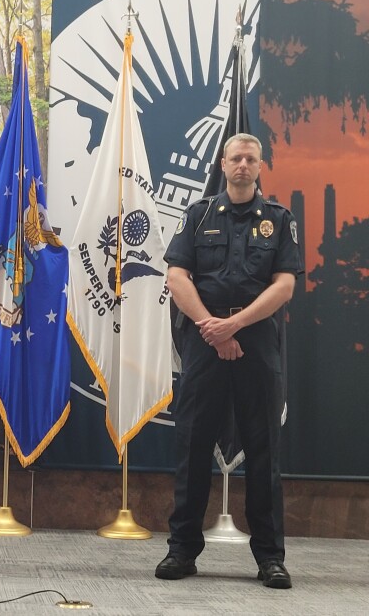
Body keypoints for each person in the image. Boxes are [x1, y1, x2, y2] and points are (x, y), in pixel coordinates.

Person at [156, 133, 303, 589]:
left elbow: (284, 286)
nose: (242, 164)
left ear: (261, 167)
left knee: (264, 454)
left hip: (256, 344)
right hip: (204, 342)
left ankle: (270, 559)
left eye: (251, 159)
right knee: (193, 447)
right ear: (223, 163)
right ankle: (182, 550)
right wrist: (211, 328)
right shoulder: (198, 216)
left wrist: (233, 327)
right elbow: (177, 276)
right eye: (235, 157)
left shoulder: (278, 220)